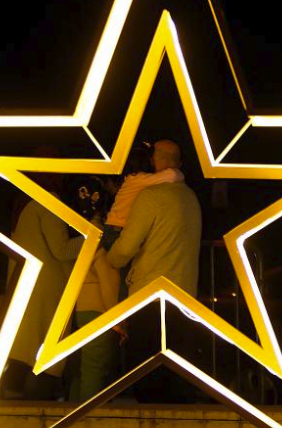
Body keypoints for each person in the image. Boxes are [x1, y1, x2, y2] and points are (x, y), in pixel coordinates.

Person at [69, 145, 184, 401]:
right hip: (117, 235)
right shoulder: (140, 181)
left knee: (88, 369)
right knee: (95, 368)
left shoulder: (130, 183)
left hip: (114, 233)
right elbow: (173, 176)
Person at [95, 139, 202, 402]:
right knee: (177, 376)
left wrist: (109, 258)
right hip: (185, 296)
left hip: (150, 295)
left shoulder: (150, 196)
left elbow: (125, 248)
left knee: (146, 373)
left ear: (156, 159)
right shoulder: (190, 198)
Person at [7, 163, 84, 400]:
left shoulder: (24, 204)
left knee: (22, 351)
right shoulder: (48, 200)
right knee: (48, 357)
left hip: (24, 286)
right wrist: (92, 237)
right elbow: (61, 249)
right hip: (47, 290)